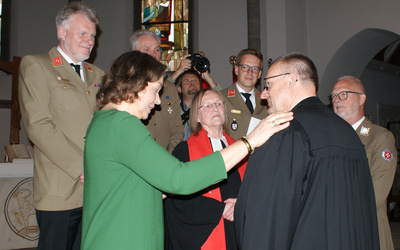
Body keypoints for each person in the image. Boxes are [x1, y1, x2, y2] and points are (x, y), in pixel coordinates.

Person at [81, 51, 293, 249]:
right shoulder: (121, 124)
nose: (157, 102)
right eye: (156, 91)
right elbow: (179, 178)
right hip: (122, 239)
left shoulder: (104, 121)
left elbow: (132, 183)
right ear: (136, 84)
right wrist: (250, 141)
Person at [234, 52, 380, 249]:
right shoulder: (348, 132)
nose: (264, 93)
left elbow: (266, 220)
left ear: (291, 81)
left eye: (268, 85)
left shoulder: (286, 132)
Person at [18, 2, 105, 249]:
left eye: (93, 35)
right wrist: (82, 168)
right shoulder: (37, 65)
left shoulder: (97, 74)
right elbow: (39, 125)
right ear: (62, 32)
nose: (90, 41)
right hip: (60, 189)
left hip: (94, 189)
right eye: (83, 33)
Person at [164, 89, 246, 249]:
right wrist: (220, 210)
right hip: (203, 233)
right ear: (197, 116)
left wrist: (242, 205)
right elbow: (177, 201)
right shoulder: (184, 150)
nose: (215, 108)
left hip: (236, 231)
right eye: (207, 106)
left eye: (218, 104)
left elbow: (252, 188)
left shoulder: (239, 148)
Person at [332, 75, 397, 250]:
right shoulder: (331, 139)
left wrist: (332, 208)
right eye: (334, 96)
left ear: (362, 98)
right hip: (336, 230)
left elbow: (377, 192)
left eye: (344, 94)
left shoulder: (380, 137)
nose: (337, 100)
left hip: (367, 226)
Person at [130, 29, 183, 152]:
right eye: (146, 49)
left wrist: (167, 157)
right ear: (134, 53)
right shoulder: (125, 86)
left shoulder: (168, 88)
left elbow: (177, 130)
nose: (153, 54)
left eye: (157, 50)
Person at [220, 48, 269, 140]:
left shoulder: (266, 101)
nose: (250, 72)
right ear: (236, 70)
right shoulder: (221, 98)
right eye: (245, 67)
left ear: (259, 74)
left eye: (255, 68)